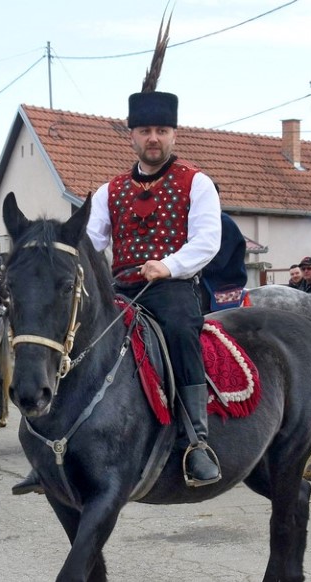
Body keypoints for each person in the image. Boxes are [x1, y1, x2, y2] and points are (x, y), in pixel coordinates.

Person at [85, 84, 223, 487]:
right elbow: (90, 243)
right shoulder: (108, 191)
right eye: (145, 131)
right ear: (132, 136)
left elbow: (207, 240)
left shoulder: (196, 182)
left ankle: (196, 441)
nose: (153, 138)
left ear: (174, 135)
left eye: (161, 131)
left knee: (180, 331)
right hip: (118, 290)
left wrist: (168, 265)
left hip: (171, 287)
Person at [198, 200, 249, 313]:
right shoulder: (201, 222)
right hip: (205, 277)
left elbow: (218, 262)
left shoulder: (224, 223)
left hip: (222, 282)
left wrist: (191, 268)